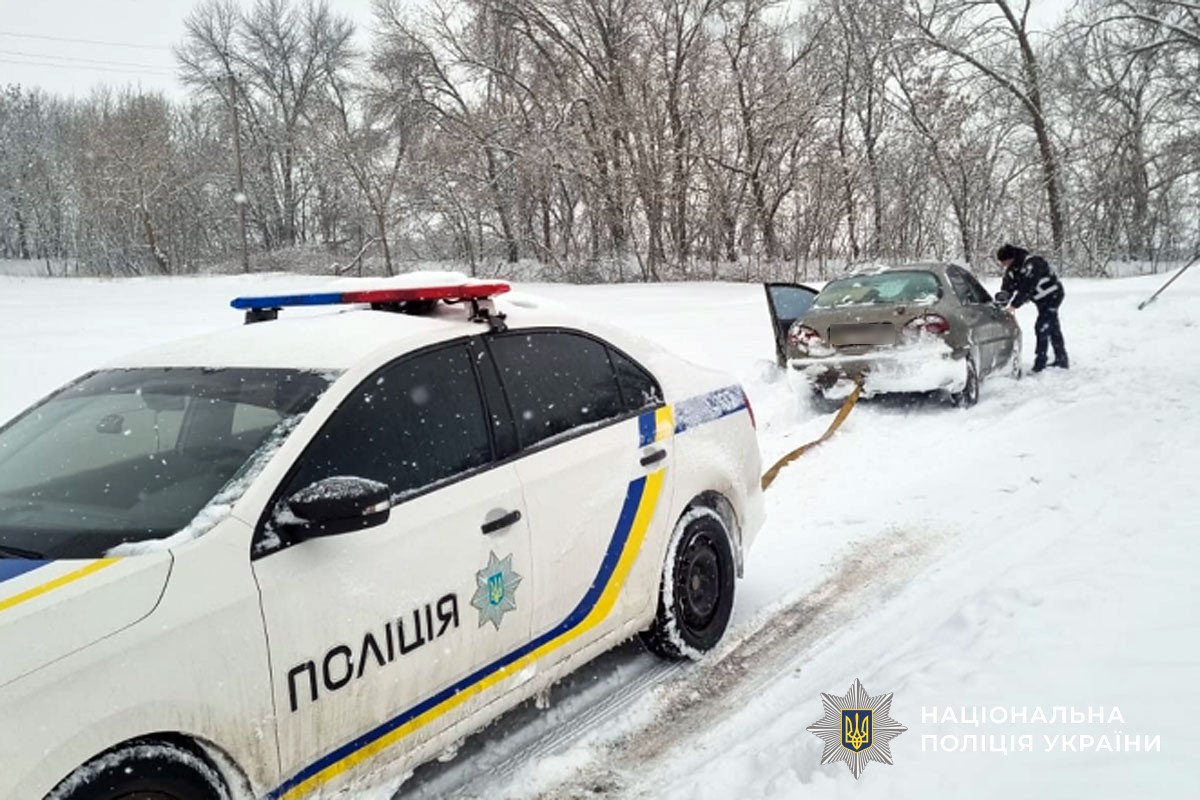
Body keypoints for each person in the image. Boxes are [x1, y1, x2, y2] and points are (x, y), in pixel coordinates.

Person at [996, 244, 1068, 372]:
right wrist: (1001, 302)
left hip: (1053, 296)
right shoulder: (1012, 271)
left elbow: (1027, 287)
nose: (1003, 265)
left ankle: (1040, 362)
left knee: (1041, 327)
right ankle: (1061, 359)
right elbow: (1007, 288)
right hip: (1040, 301)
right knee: (1052, 327)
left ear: (1011, 258)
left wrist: (1014, 305)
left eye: (1005, 262)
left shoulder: (1033, 263)